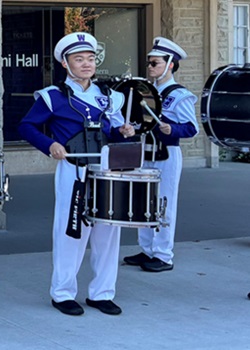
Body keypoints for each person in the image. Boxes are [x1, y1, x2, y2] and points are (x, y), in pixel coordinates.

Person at [18, 32, 136, 317]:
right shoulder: (52, 97)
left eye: (90, 59)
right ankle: (62, 293)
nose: (86, 64)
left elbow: (113, 134)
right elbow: (26, 127)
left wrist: (123, 132)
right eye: (79, 59)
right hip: (74, 171)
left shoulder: (110, 97)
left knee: (108, 232)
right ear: (65, 63)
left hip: (106, 169)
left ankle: (102, 293)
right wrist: (50, 144)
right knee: (72, 231)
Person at [122, 37, 197, 273]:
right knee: (143, 201)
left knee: (164, 204)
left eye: (155, 63)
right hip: (145, 153)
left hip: (166, 154)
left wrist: (172, 128)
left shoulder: (180, 95)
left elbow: (191, 127)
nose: (150, 67)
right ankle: (146, 249)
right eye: (149, 63)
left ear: (170, 64)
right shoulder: (146, 91)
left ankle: (163, 255)